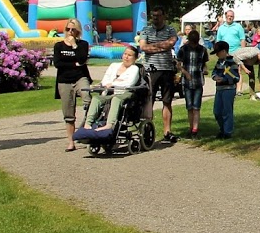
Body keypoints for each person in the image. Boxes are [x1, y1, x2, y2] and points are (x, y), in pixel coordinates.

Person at [138, 12, 180, 143]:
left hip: (167, 69)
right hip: (151, 69)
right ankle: (147, 130)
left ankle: (167, 131)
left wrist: (153, 46)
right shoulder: (146, 30)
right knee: (149, 101)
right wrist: (162, 45)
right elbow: (143, 47)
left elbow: (171, 43)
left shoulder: (170, 29)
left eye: (158, 15)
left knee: (167, 101)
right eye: (153, 16)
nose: (156, 18)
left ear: (163, 16)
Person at [52, 21, 92, 150]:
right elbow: (58, 64)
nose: (70, 32)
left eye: (73, 30)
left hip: (80, 77)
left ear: (78, 31)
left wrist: (74, 45)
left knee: (88, 99)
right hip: (64, 80)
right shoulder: (59, 46)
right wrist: (74, 64)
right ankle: (71, 142)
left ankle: (87, 127)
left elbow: (82, 59)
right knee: (68, 113)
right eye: (67, 29)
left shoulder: (83, 44)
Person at [85, 46, 142, 129]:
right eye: (125, 54)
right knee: (96, 99)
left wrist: (113, 83)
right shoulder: (113, 65)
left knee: (116, 99)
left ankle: (110, 124)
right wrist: (115, 82)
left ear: (135, 58)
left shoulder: (134, 69)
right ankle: (88, 123)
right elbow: (105, 80)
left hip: (125, 92)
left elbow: (129, 83)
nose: (126, 57)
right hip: (109, 92)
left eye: (130, 55)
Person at [177, 28, 208, 137]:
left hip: (198, 81)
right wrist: (185, 73)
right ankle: (191, 128)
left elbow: (204, 63)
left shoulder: (203, 50)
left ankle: (195, 129)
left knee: (196, 107)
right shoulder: (183, 49)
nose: (194, 45)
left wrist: (205, 69)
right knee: (189, 106)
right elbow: (178, 64)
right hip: (187, 82)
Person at [210, 40, 240, 137]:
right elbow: (214, 72)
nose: (217, 55)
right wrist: (215, 77)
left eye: (218, 52)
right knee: (217, 111)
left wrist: (224, 79)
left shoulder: (232, 62)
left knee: (227, 111)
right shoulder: (219, 62)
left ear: (224, 51)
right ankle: (222, 129)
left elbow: (236, 78)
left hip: (229, 89)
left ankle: (227, 132)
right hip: (219, 89)